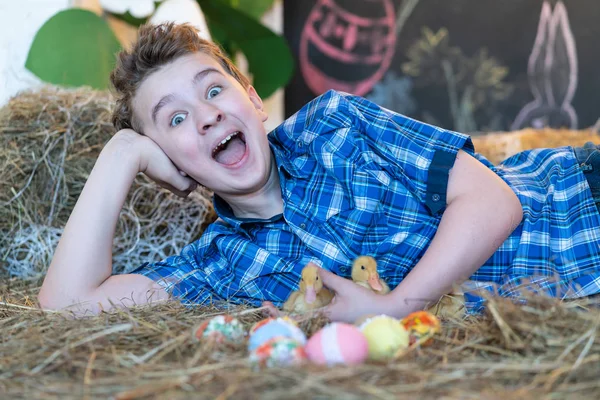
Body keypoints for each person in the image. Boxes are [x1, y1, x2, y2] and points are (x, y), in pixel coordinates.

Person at [38, 23, 600, 322]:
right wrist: (121, 153)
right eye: (175, 119)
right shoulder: (220, 266)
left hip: (580, 201)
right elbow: (64, 305)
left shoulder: (334, 126)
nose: (207, 114)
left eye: (214, 90)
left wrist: (394, 307)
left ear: (254, 101)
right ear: (167, 162)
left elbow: (495, 203)